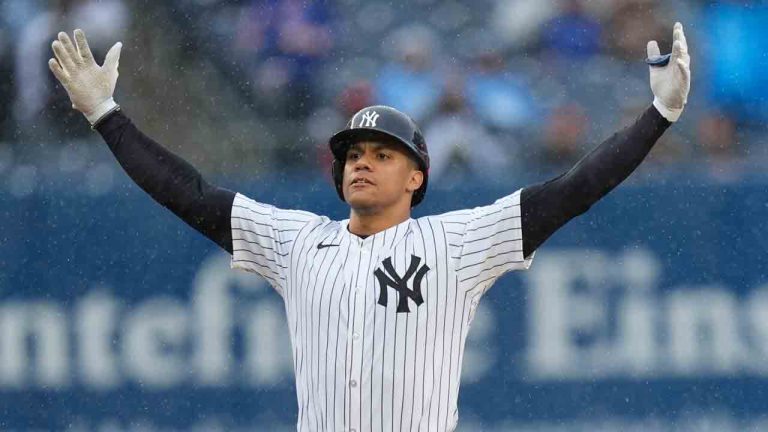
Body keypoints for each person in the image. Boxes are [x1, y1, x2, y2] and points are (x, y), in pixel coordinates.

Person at [48, 23, 690, 432]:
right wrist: (106, 113)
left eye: (384, 155)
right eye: (355, 154)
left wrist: (657, 115)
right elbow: (189, 193)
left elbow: (573, 191)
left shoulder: (453, 245)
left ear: (417, 177)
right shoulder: (300, 242)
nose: (363, 163)